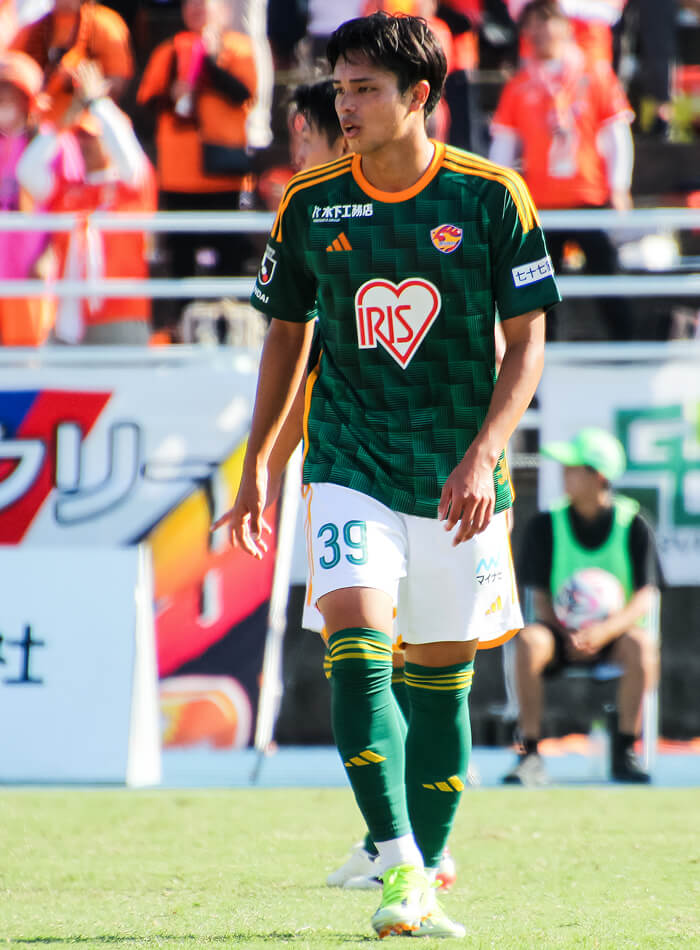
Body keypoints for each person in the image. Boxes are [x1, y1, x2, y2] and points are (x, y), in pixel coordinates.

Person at [214, 11, 560, 939]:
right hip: (349, 460)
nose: (345, 104)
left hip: (458, 476)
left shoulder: (492, 196)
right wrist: (261, 464)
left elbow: (528, 343)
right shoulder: (311, 201)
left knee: (442, 683)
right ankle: (398, 859)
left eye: (364, 88)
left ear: (421, 97)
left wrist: (483, 454)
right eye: (340, 87)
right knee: (358, 649)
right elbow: (285, 338)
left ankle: (425, 869)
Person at [502, 427, 661, 787]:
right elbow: (538, 595)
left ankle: (625, 752)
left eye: (573, 467)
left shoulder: (634, 524)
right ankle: (529, 753)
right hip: (559, 632)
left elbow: (645, 595)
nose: (564, 473)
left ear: (598, 476)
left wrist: (602, 632)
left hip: (614, 635)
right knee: (528, 641)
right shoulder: (545, 524)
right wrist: (567, 633)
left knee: (642, 646)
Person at [489, 0, 636, 341]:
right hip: (541, 206)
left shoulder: (595, 75)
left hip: (588, 197)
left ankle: (627, 348)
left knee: (608, 278)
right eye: (532, 24)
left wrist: (619, 186)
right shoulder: (519, 86)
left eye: (547, 21)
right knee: (540, 290)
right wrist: (500, 199)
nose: (540, 31)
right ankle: (543, 355)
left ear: (566, 26)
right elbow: (503, 149)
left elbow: (617, 134)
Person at [136, 0, 257, 333]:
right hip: (179, 175)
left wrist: (210, 64)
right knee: (181, 256)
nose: (196, 8)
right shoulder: (169, 50)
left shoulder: (237, 48)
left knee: (229, 255)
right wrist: (173, 91)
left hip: (223, 175)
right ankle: (183, 326)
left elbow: (245, 93)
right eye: (190, 2)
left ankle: (229, 326)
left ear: (223, 8)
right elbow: (148, 101)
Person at [17, 60, 155, 343]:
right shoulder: (66, 191)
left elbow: (127, 153)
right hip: (69, 321)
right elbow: (26, 171)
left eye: (92, 136)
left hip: (121, 316)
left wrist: (99, 103)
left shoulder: (132, 185)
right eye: (79, 136)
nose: (84, 143)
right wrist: (61, 125)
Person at [0, 50, 55, 346]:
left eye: (12, 93)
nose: (4, 101)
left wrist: (50, 255)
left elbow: (65, 205)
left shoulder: (48, 142)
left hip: (28, 269)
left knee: (26, 355)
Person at [11, 0, 134, 124]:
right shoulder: (33, 24)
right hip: (38, 125)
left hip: (88, 125)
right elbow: (10, 72)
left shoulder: (104, 23)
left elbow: (117, 83)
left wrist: (82, 85)